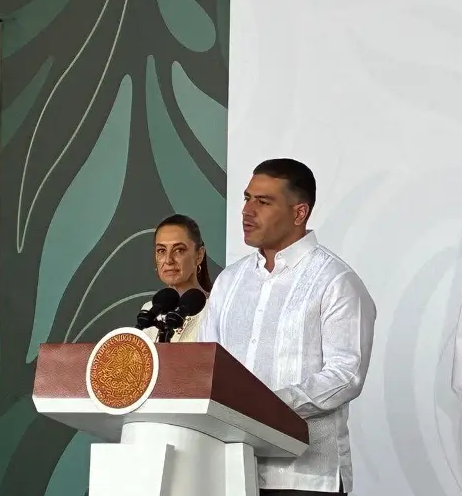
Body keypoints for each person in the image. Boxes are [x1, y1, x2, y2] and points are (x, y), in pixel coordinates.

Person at [199, 158, 376, 496]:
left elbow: (346, 375)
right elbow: (207, 365)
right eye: (247, 198)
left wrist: (267, 406)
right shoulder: (229, 282)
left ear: (299, 213)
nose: (247, 211)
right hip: (231, 473)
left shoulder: (335, 281)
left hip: (305, 478)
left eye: (263, 202)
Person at [140, 214, 213, 343]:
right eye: (161, 250)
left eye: (179, 250)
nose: (168, 260)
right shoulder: (150, 310)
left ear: (199, 255)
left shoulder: (215, 309)